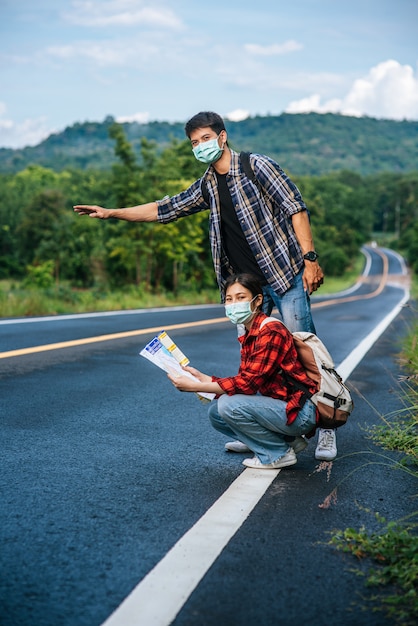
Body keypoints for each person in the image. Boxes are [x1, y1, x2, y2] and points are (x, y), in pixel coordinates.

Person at [73, 110, 336, 461]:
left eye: (205, 139)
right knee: (253, 360)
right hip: (247, 291)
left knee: (305, 353)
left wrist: (310, 258)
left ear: (222, 137)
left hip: (284, 275)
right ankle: (257, 426)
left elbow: (295, 208)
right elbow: (163, 209)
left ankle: (328, 429)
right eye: (194, 142)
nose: (200, 146)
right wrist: (112, 212)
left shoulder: (257, 167)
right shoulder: (207, 186)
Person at [168, 273, 319, 469]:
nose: (233, 304)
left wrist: (194, 387)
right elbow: (244, 380)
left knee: (228, 405)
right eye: (229, 299)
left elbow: (248, 385)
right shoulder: (251, 332)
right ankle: (288, 441)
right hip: (282, 407)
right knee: (217, 412)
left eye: (241, 298)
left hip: (299, 412)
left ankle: (277, 453)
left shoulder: (270, 331)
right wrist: (201, 378)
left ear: (257, 301)